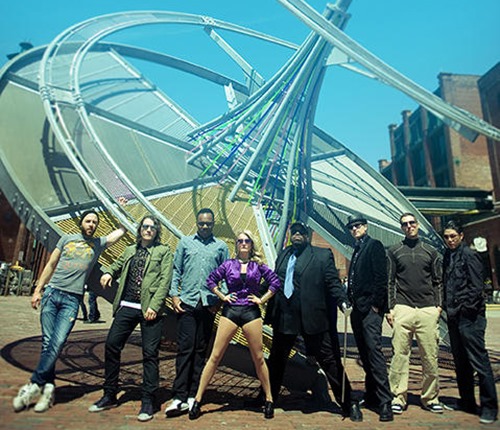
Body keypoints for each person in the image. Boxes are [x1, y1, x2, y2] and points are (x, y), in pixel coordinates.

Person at [12, 204, 126, 413]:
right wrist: (38, 290)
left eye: (94, 222)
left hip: (72, 300)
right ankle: (48, 390)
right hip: (52, 293)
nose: (91, 224)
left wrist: (120, 209)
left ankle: (34, 384)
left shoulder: (97, 244)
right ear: (81, 223)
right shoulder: (66, 239)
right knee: (48, 344)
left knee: (57, 343)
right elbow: (51, 264)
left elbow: (119, 232)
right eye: (88, 221)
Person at [263, 221, 362, 422]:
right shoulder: (284, 254)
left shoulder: (322, 255)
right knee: (276, 361)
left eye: (301, 232)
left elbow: (332, 282)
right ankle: (268, 399)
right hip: (286, 317)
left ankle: (348, 402)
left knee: (330, 361)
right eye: (294, 232)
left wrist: (343, 300)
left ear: (307, 235)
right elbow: (275, 281)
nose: (297, 235)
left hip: (313, 318)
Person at [88, 215, 173, 422]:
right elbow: (117, 265)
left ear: (156, 231)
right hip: (127, 305)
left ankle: (148, 400)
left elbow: (165, 280)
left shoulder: (163, 252)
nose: (148, 230)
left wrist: (154, 306)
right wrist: (108, 273)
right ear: (140, 229)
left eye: (152, 227)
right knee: (112, 345)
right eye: (145, 226)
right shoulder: (129, 250)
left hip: (149, 309)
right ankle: (109, 394)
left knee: (150, 354)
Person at [189, 230, 281, 420]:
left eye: (247, 240)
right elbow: (211, 280)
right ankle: (197, 400)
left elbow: (275, 282)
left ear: (252, 244)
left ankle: (269, 399)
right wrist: (222, 296)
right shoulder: (228, 264)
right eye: (240, 241)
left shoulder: (258, 265)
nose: (243, 243)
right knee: (215, 356)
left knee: (258, 358)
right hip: (231, 311)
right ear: (236, 244)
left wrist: (261, 299)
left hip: (251, 312)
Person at [165, 208, 229, 417]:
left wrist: (219, 301)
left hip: (208, 304)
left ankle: (194, 394)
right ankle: (179, 396)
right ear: (196, 223)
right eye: (202, 223)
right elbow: (176, 270)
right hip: (188, 302)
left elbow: (227, 276)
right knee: (185, 349)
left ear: (213, 224)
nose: (205, 226)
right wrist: (175, 295)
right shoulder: (185, 243)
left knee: (201, 350)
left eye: (208, 223)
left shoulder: (221, 247)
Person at [386, 212, 444, 414]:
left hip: (427, 309)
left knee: (430, 357)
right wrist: (390, 308)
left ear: (418, 225)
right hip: (403, 308)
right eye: (405, 224)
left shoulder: (430, 251)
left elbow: (438, 281)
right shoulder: (394, 251)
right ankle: (398, 397)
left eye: (412, 223)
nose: (409, 226)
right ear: (401, 228)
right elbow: (390, 281)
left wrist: (438, 307)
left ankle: (430, 398)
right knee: (399, 356)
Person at [442, 220, 498, 425]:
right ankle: (467, 402)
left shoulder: (469, 255)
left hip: (470, 318)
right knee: (461, 363)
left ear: (461, 235)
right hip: (454, 317)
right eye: (446, 237)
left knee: (479, 362)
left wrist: (464, 309)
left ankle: (489, 407)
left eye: (453, 236)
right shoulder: (448, 255)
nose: (450, 240)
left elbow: (476, 289)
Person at [346, 213, 394, 422]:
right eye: (351, 227)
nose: (354, 229)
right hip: (358, 310)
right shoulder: (357, 249)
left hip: (369, 310)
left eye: (358, 225)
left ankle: (385, 402)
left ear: (365, 226)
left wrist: (376, 305)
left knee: (374, 353)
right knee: (365, 353)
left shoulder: (374, 246)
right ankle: (372, 394)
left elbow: (381, 278)